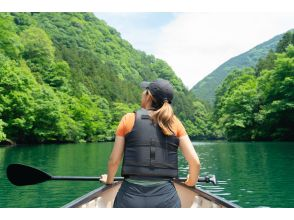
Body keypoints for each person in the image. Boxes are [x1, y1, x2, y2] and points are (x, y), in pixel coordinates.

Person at [100, 79, 200, 208]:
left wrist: (109, 181)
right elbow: (195, 163)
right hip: (166, 199)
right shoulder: (175, 123)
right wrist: (191, 183)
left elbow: (114, 161)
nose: (142, 93)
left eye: (145, 91)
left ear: (149, 96)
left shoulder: (128, 119)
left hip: (130, 198)